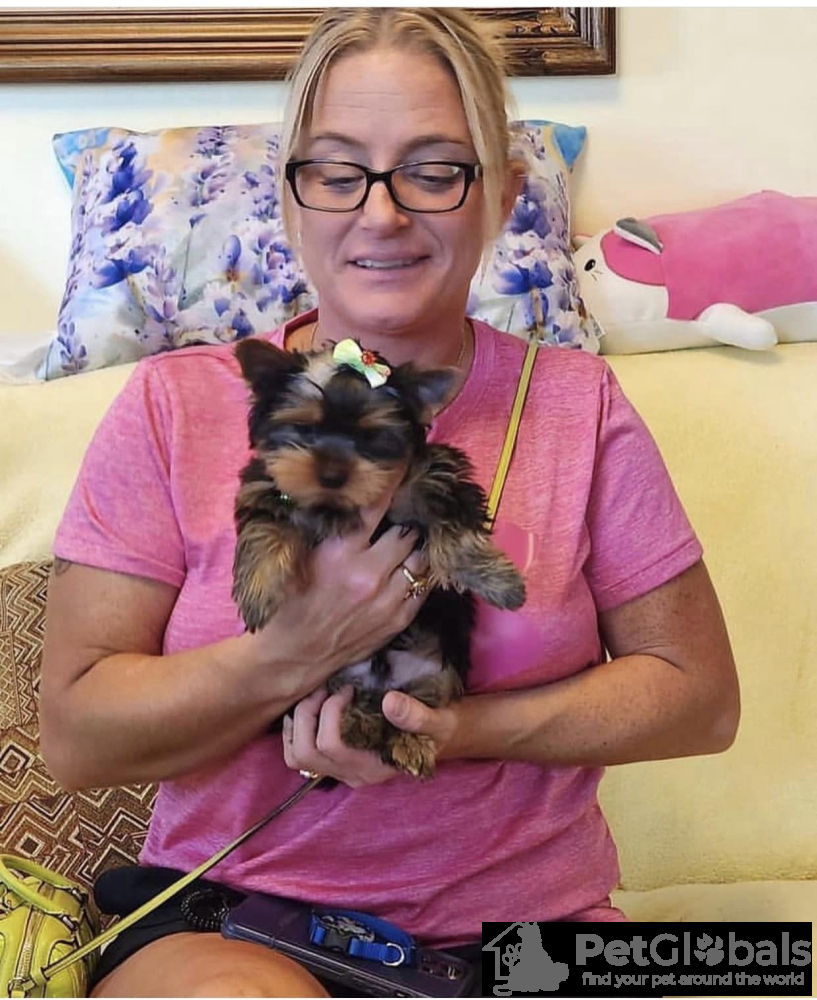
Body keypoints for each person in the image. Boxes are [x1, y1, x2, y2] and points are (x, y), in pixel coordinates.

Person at [39, 8, 740, 997]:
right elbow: (76, 740)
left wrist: (455, 730)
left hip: (532, 942)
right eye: (337, 173)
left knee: (754, 969)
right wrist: (291, 652)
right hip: (238, 923)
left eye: (433, 170)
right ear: (290, 200)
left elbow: (700, 700)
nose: (381, 214)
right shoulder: (173, 406)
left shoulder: (576, 404)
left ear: (500, 196)